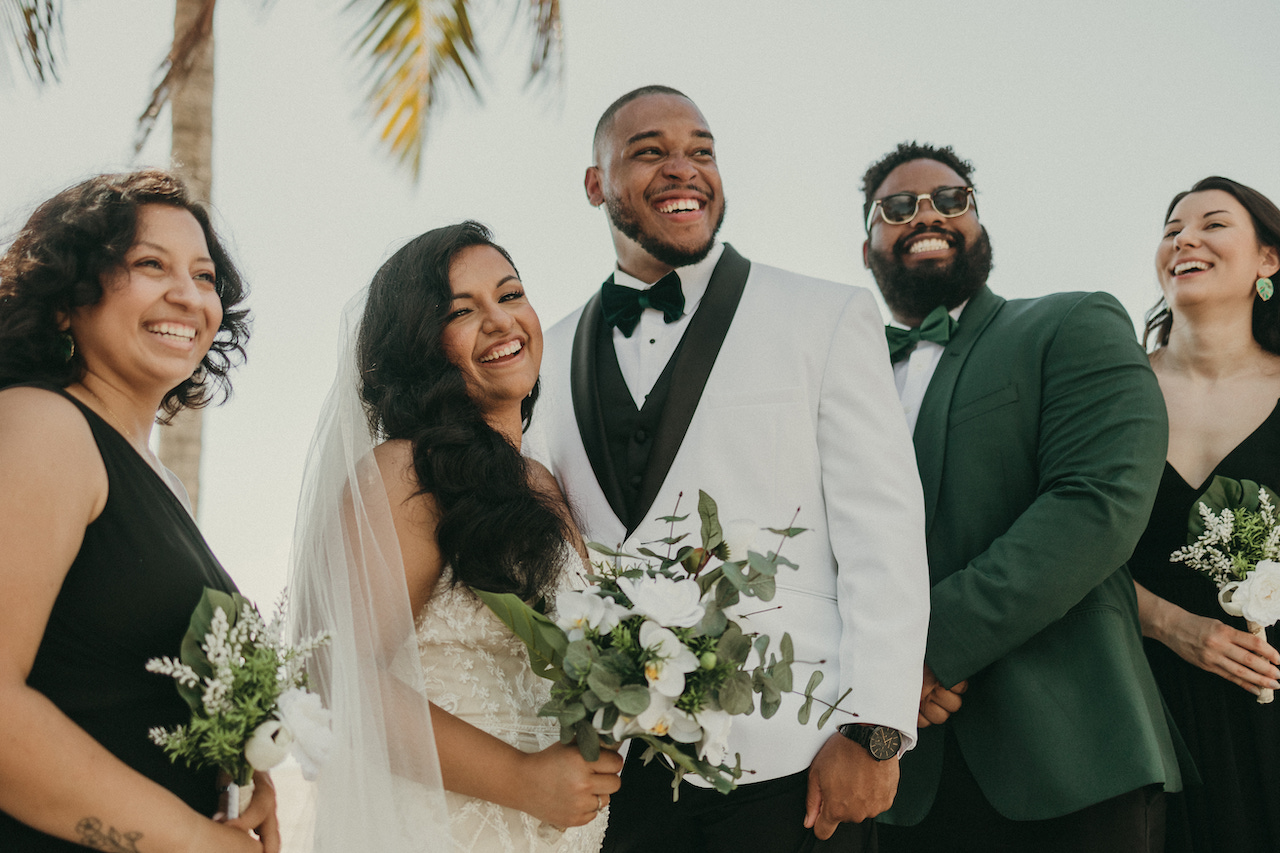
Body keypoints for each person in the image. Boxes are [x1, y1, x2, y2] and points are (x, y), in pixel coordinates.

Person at [523, 85, 931, 852]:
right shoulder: (546, 353)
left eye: (701, 152)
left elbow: (883, 530)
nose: (684, 169)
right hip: (621, 772)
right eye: (650, 152)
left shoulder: (825, 315)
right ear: (594, 184)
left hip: (797, 759)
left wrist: (877, 730)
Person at [859, 142, 1185, 853]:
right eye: (897, 206)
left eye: (951, 200)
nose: (927, 215)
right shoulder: (842, 378)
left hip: (1072, 763)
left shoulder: (1070, 323)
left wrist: (925, 652)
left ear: (980, 226)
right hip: (897, 785)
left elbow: (1097, 505)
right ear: (868, 245)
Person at [288, 221, 623, 853]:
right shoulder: (405, 473)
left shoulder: (545, 485)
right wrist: (524, 780)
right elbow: (341, 676)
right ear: (421, 347)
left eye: (511, 294)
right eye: (462, 311)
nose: (501, 322)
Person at [0, 170, 278, 851]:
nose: (187, 294)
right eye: (151, 264)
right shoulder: (43, 425)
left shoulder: (160, 483)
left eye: (205, 275)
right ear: (67, 298)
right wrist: (193, 840)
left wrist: (243, 767)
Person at [1129, 176, 1280, 853]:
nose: (1184, 238)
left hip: (1265, 707)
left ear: (1268, 260)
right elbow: (1057, 546)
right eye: (1171, 229)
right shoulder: (1112, 388)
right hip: (1132, 703)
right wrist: (1170, 625)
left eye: (1213, 224)